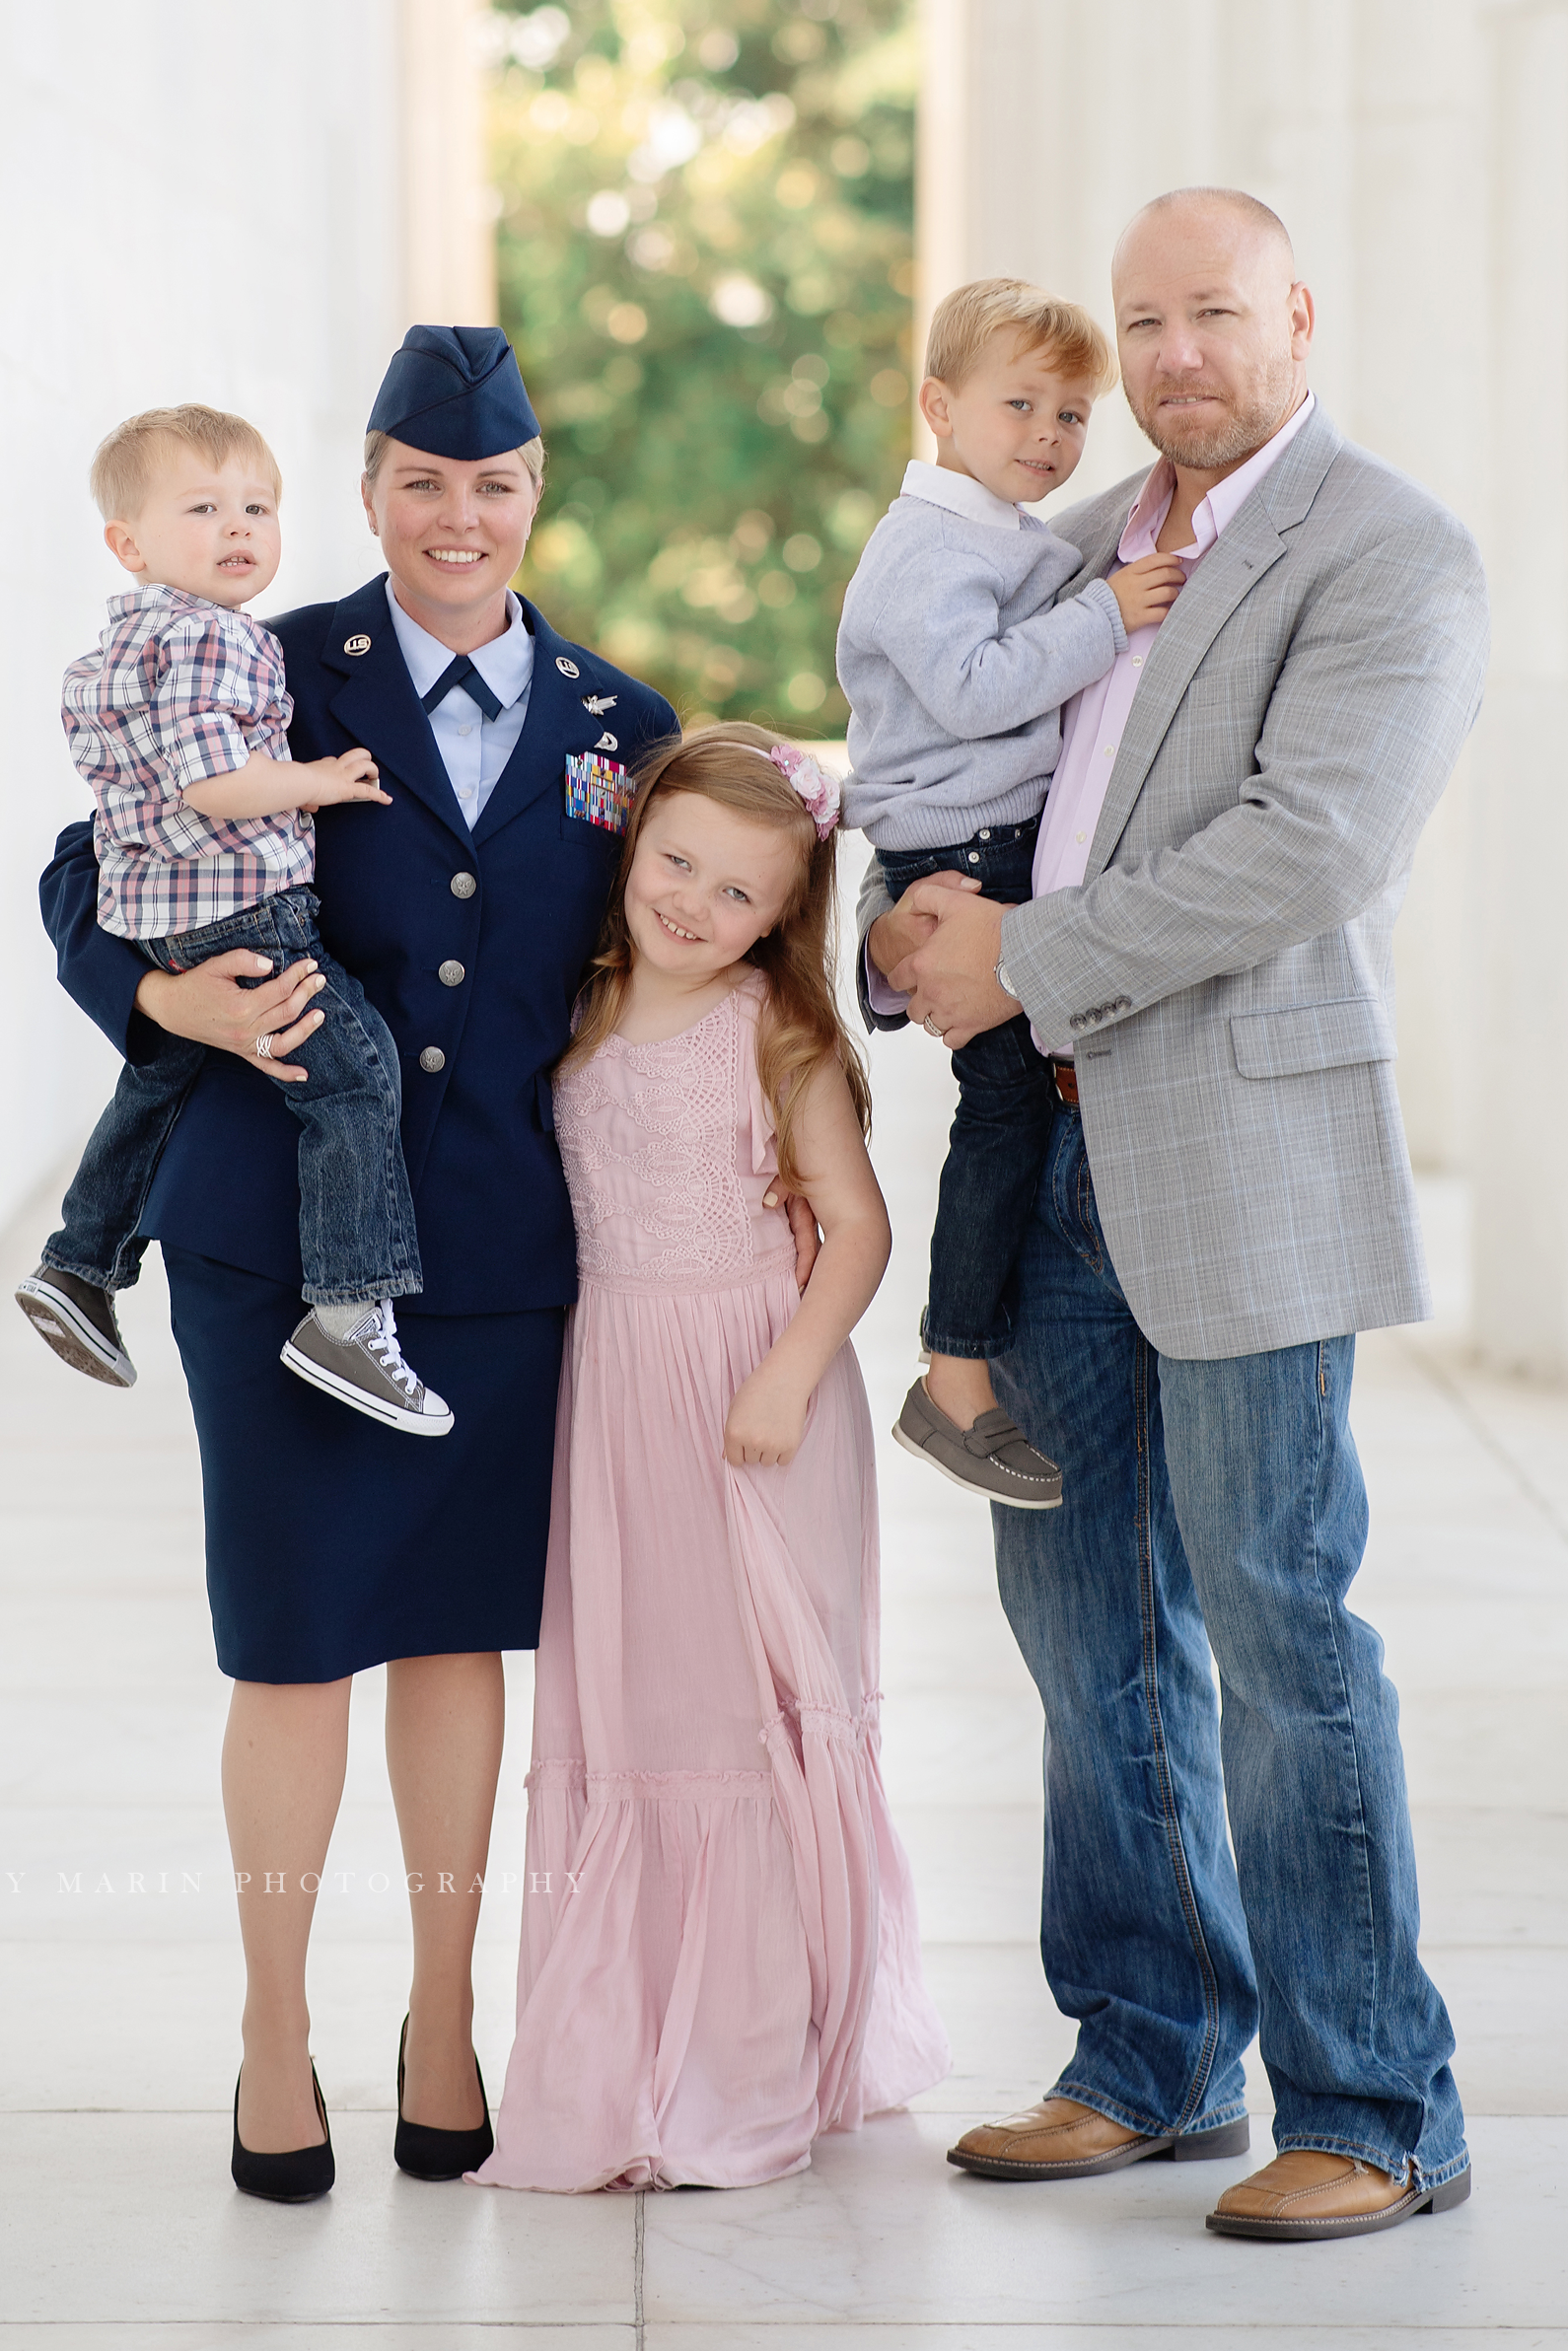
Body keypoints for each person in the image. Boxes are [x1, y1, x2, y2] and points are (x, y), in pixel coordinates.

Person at [867, 189, 1487, 2244]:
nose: (1171, 360)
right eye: (1140, 325)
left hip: (1239, 1157)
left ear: (1298, 314)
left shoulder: (1389, 552)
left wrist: (1018, 955)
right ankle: (1144, 2053)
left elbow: (1304, 850)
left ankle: (1378, 2102)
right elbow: (939, 734)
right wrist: (894, 927)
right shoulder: (1071, 539)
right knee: (1083, 1644)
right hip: (1035, 1166)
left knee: (1279, 1629)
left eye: (1211, 314)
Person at [37, 324, 677, 2202]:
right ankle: (267, 2030)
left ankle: (447, 2016)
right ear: (373, 489)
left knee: (459, 1634)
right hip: (266, 1230)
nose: (455, 519)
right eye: (420, 483)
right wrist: (160, 995)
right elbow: (85, 871)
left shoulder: (618, 727)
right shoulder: (253, 650)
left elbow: (682, 960)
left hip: (493, 1249)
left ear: (533, 496)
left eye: (491, 486)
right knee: (297, 1635)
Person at [477, 726, 950, 2191]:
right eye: (674, 862)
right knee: (634, 1713)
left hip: (752, 1391)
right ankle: (625, 2057)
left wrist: (790, 1375)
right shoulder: (574, 1007)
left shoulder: (775, 1029)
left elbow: (857, 1228)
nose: (692, 903)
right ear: (633, 851)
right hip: (613, 1388)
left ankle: (747, 2059)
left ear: (779, 916)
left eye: (737, 892)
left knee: (745, 1721)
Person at [15, 401, 447, 1436]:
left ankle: (79, 1265)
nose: (240, 527)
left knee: (158, 1081)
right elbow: (215, 781)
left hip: (158, 916)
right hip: (242, 909)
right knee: (353, 1078)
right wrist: (321, 780)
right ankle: (347, 1311)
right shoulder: (220, 641)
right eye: (204, 508)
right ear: (128, 544)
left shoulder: (122, 648)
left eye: (258, 505)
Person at [836, 277, 1185, 1506]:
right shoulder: (927, 546)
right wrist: (1106, 613)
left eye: (1073, 415)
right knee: (1001, 1121)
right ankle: (953, 1374)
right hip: (963, 851)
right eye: (1020, 406)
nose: (1049, 436)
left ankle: (959, 1366)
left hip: (991, 843)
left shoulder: (1006, 531)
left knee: (1015, 1116)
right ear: (937, 406)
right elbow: (980, 690)